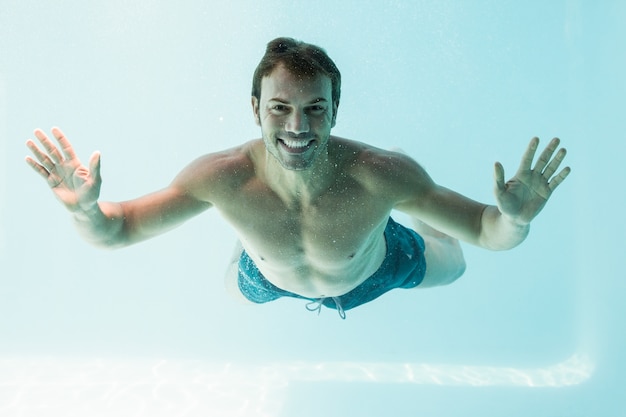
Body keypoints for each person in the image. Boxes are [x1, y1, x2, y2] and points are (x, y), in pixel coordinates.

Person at [25, 37, 570, 319]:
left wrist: (514, 220)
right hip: (268, 278)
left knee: (454, 267)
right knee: (234, 289)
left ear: (335, 112)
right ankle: (249, 248)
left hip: (376, 269)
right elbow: (116, 232)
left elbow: (489, 231)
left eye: (314, 110)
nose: (297, 127)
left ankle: (418, 217)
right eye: (280, 108)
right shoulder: (222, 177)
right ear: (255, 109)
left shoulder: (379, 174)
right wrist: (83, 210)